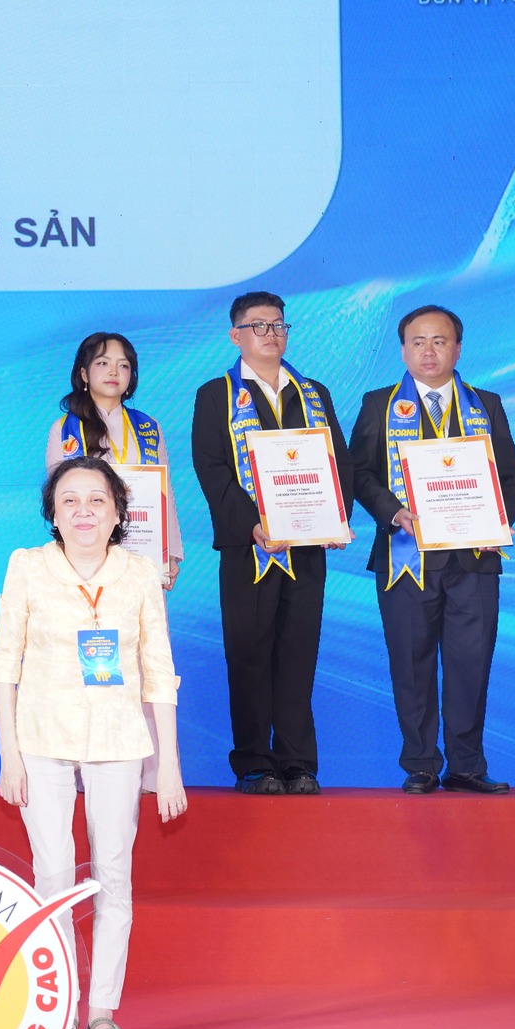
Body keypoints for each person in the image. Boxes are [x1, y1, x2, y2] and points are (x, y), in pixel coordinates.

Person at [0, 456, 184, 1029]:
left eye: (97, 500)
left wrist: (169, 766)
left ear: (119, 512)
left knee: (113, 874)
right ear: (52, 513)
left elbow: (159, 671)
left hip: (119, 740)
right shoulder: (28, 566)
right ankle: (57, 1009)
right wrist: (9, 756)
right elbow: (6, 662)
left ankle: (100, 1013)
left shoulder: (139, 573)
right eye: (69, 500)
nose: (83, 511)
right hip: (41, 738)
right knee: (52, 875)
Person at [349, 305, 515, 795]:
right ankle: (421, 763)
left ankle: (466, 764)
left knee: (471, 664)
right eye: (418, 342)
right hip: (404, 556)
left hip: (474, 558)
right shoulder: (379, 404)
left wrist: (497, 523)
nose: (429, 351)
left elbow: (509, 476)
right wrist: (392, 511)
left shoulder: (486, 404)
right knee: (411, 663)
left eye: (440, 341)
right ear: (404, 351)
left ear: (458, 349)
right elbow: (359, 472)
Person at [190, 290, 351, 794]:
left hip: (305, 546)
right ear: (235, 335)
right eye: (258, 325)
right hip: (249, 549)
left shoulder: (313, 393)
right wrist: (250, 525)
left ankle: (298, 761)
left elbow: (337, 460)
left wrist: (336, 517)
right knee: (249, 654)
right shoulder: (215, 395)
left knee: (299, 653)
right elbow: (211, 469)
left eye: (279, 324)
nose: (271, 334)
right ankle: (255, 763)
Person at [45, 330, 183, 589]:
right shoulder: (64, 430)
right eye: (102, 363)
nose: (113, 371)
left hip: (143, 550)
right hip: (87, 555)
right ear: (84, 374)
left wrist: (170, 553)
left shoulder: (149, 427)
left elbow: (165, 493)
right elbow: (59, 500)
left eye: (123, 365)